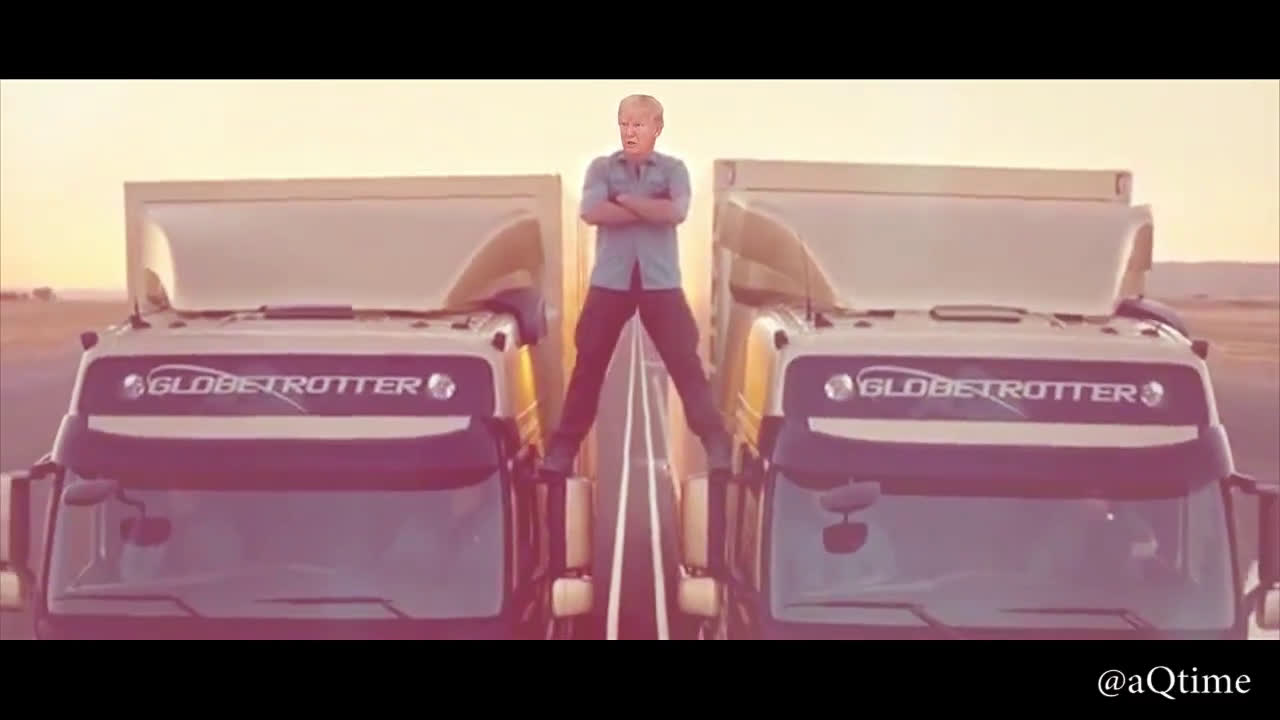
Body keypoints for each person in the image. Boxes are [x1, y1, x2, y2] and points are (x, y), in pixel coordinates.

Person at [539, 94, 732, 484]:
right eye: (624, 123)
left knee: (685, 365)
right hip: (610, 282)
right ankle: (563, 449)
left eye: (639, 124)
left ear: (657, 128)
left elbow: (675, 212)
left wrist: (623, 200)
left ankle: (716, 443)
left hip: (661, 283)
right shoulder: (600, 168)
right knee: (588, 366)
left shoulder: (675, 169)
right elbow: (592, 211)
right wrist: (649, 207)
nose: (630, 131)